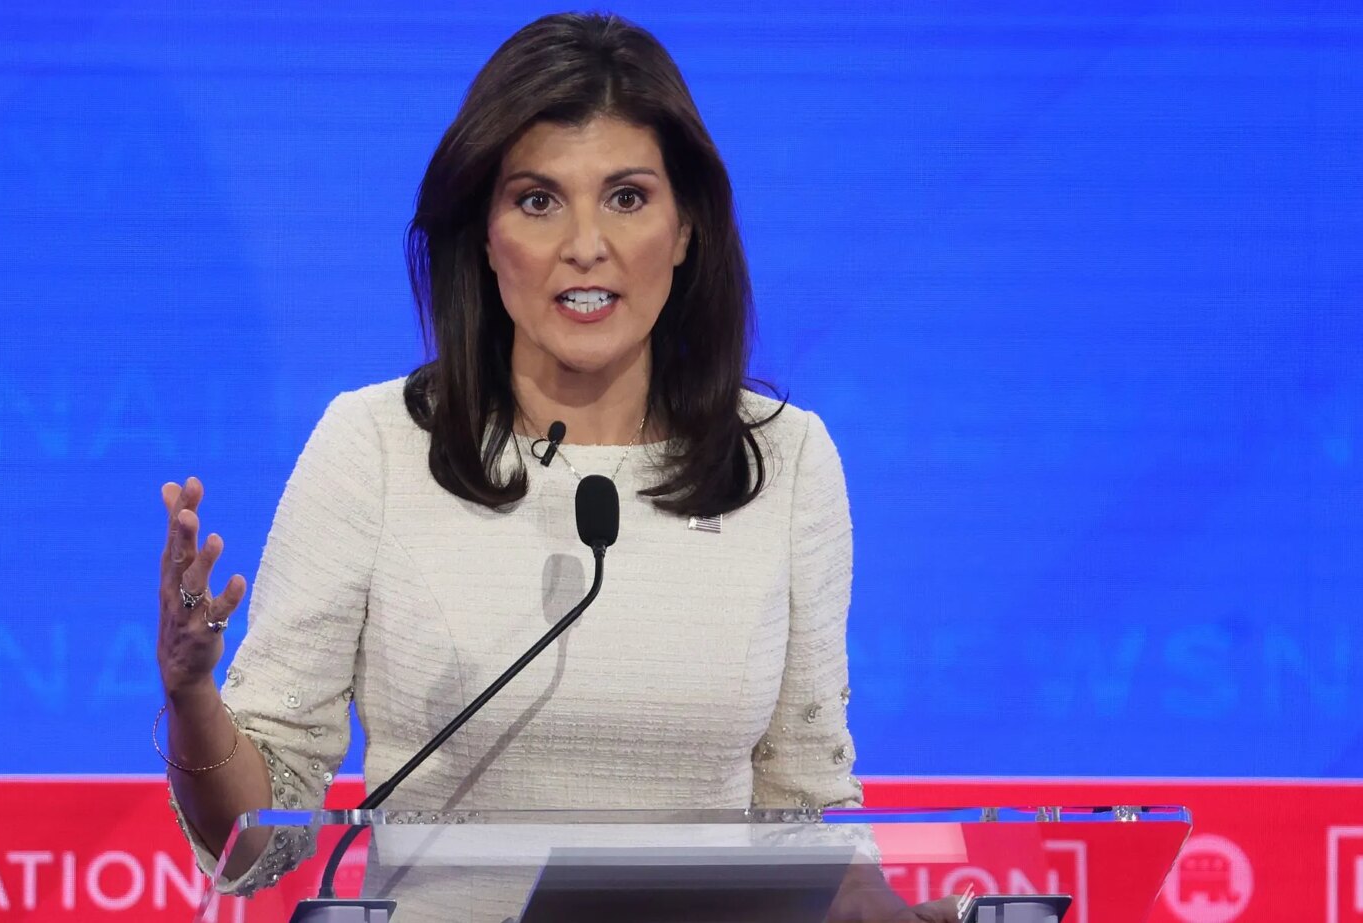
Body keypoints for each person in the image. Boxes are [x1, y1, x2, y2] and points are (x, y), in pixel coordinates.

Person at [157, 12, 957, 923]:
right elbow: (261, 841)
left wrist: (878, 907)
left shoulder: (783, 460)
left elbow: (803, 806)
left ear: (686, 225)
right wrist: (190, 695)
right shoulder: (376, 447)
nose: (587, 244)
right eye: (539, 200)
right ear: (484, 235)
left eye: (627, 197)